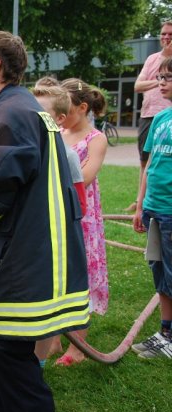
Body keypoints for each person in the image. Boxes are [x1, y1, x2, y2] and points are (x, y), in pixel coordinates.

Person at [0, 31, 90, 412]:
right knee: (12, 362)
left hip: (25, 263)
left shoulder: (10, 114)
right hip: (37, 256)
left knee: (14, 367)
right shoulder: (21, 107)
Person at [31, 84, 88, 364]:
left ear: (60, 119)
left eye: (40, 112)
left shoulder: (68, 156)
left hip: (54, 243)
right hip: (29, 241)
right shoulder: (27, 151)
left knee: (49, 303)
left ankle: (38, 361)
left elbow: (78, 205)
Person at [55, 78, 108, 366]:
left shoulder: (96, 139)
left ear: (83, 108)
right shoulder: (59, 133)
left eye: (66, 109)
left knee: (79, 272)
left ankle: (78, 345)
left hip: (81, 216)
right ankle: (52, 340)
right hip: (56, 211)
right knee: (57, 273)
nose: (61, 116)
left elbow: (85, 177)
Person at [132, 56, 172, 359]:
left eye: (168, 78)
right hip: (154, 208)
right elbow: (147, 166)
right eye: (160, 77)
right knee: (159, 270)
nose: (161, 83)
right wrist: (140, 204)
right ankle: (165, 332)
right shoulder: (160, 119)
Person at [128, 21, 172, 212]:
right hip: (150, 115)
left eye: (170, 34)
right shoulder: (152, 59)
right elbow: (137, 86)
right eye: (163, 34)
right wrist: (161, 78)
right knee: (146, 160)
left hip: (168, 114)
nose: (166, 38)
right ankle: (141, 201)